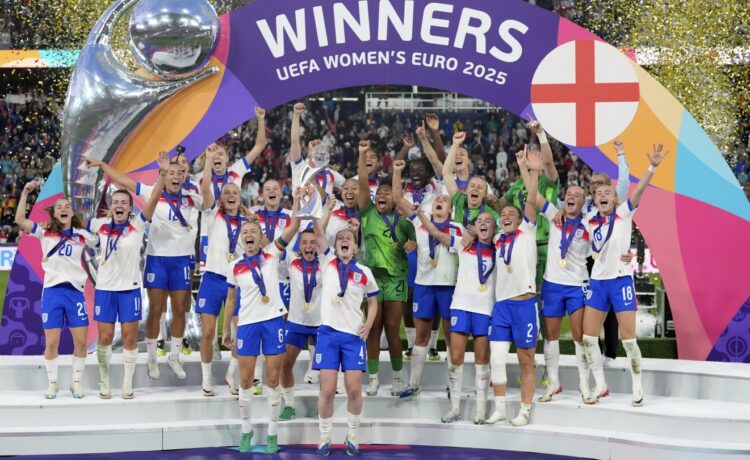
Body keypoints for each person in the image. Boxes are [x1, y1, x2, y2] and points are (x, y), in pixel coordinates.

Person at [84, 155, 202, 380]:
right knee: (156, 310)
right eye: (170, 172)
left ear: (184, 176)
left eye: (179, 173)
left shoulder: (191, 197)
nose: (175, 176)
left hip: (182, 260)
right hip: (157, 259)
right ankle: (152, 357)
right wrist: (103, 165)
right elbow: (125, 182)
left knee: (180, 310)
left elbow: (212, 204)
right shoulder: (151, 191)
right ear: (163, 176)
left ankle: (174, 356)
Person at [580, 143, 668, 407]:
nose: (603, 195)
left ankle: (637, 386)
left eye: (608, 192)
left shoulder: (623, 212)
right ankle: (600, 384)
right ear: (595, 199)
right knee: (588, 339)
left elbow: (638, 190)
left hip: (620, 281)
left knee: (629, 340)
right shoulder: (589, 220)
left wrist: (651, 167)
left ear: (615, 198)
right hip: (597, 282)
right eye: (599, 193)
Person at [224, 192, 301, 454]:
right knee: (246, 380)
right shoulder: (234, 266)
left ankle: (271, 433)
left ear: (260, 237)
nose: (249, 235)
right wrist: (226, 330)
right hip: (247, 324)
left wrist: (296, 201)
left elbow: (294, 226)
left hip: (273, 322)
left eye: (253, 232)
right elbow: (231, 300)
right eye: (245, 232)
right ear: (241, 238)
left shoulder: (271, 253)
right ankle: (246, 431)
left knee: (272, 378)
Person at [15, 180, 97, 399]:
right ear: (53, 213)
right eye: (59, 207)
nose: (63, 208)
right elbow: (20, 220)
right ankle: (53, 384)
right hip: (52, 293)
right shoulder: (44, 232)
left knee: (81, 342)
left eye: (67, 206)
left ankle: (76, 383)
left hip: (75, 293)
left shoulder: (81, 235)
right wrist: (24, 194)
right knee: (52, 343)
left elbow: (103, 240)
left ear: (72, 213)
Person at [418, 201, 493, 424]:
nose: (483, 223)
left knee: (481, 360)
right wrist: (420, 214)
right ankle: (454, 408)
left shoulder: (499, 248)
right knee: (456, 359)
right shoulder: (462, 244)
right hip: (460, 306)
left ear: (494, 228)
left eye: (488, 221)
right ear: (473, 227)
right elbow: (434, 232)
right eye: (479, 221)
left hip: (484, 309)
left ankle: (480, 410)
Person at [89, 168, 161, 399]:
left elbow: (154, 199)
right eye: (115, 202)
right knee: (105, 338)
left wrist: (162, 175)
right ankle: (104, 381)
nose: (119, 205)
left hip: (129, 290)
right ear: (110, 207)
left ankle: (127, 383)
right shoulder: (98, 224)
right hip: (105, 290)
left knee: (130, 338)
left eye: (123, 202)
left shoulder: (137, 225)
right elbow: (69, 221)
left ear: (130, 208)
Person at [392, 159, 459, 400]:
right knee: (421, 336)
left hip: (449, 287)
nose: (440, 200)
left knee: (451, 338)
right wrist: (397, 172)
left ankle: (454, 384)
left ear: (451, 210)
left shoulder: (457, 229)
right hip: (423, 287)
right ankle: (414, 384)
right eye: (437, 199)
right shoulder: (420, 223)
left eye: (444, 200)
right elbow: (398, 198)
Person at [484, 147, 539, 427]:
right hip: (502, 306)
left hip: (525, 305)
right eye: (502, 214)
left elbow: (531, 198)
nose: (505, 216)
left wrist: (529, 169)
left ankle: (525, 410)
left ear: (520, 220)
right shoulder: (496, 240)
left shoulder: (527, 231)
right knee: (496, 359)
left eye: (511, 214)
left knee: (525, 360)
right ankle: (500, 409)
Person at [356, 140, 415, 397]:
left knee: (392, 328)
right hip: (371, 278)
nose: (382, 195)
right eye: (379, 192)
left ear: (395, 197)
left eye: (387, 192)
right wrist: (361, 154)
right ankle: (373, 379)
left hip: (396, 279)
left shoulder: (404, 221)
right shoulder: (367, 212)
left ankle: (398, 379)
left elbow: (414, 241)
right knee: (372, 328)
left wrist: (412, 244)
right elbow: (361, 182)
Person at [314, 227, 379, 456]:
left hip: (353, 337)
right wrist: (322, 210)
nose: (344, 240)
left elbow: (373, 301)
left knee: (353, 389)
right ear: (335, 246)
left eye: (349, 238)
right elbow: (318, 233)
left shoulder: (364, 272)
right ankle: (324, 436)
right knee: (327, 390)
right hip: (328, 335)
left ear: (355, 247)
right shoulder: (328, 261)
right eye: (340, 238)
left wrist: (368, 325)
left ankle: (352, 435)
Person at [197, 145, 250, 396]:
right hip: (212, 278)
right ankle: (207, 379)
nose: (230, 195)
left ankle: (231, 374)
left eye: (234, 192)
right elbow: (205, 188)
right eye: (226, 192)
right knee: (208, 332)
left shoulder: (248, 222)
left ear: (240, 198)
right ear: (221, 197)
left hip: (237, 283)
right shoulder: (212, 213)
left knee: (240, 333)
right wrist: (209, 159)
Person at [400, 123, 445, 361]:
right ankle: (410, 344)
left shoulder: (437, 189)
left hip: (433, 250)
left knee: (435, 295)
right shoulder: (404, 192)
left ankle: (434, 345)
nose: (415, 173)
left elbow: (439, 160)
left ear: (428, 173)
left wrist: (430, 136)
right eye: (412, 170)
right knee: (410, 296)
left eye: (420, 169)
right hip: (409, 252)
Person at [278, 218, 330, 421]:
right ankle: (289, 405)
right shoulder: (291, 260)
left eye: (313, 242)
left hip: (321, 325)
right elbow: (275, 244)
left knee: (325, 370)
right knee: (285, 365)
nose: (309, 246)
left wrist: (320, 216)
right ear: (299, 246)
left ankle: (321, 406)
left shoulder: (326, 263)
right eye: (304, 242)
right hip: (296, 323)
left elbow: (321, 232)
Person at [442, 133, 499, 231]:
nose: (475, 189)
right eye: (472, 186)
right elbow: (446, 172)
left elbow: (496, 214)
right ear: (466, 190)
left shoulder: (483, 184)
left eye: (462, 154)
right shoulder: (459, 200)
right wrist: (455, 144)